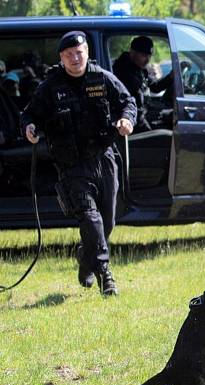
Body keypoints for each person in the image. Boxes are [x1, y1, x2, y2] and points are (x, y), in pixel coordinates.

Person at [21, 31, 136, 295]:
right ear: (61, 58)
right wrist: (29, 127)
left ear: (86, 52)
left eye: (79, 52)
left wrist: (126, 120)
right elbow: (30, 113)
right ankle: (105, 275)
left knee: (107, 221)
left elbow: (127, 102)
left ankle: (86, 259)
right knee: (90, 218)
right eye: (69, 54)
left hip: (104, 158)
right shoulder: (50, 87)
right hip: (72, 165)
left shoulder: (102, 78)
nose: (75, 58)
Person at [112, 36, 172, 132]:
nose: (147, 60)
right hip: (132, 124)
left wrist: (170, 77)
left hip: (143, 116)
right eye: (144, 55)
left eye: (149, 56)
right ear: (132, 52)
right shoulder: (123, 71)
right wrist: (149, 130)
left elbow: (154, 87)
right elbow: (136, 109)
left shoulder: (139, 68)